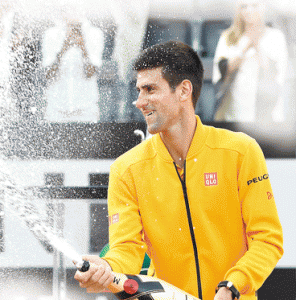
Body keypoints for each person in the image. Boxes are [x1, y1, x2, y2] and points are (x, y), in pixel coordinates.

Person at [74, 41, 283, 300]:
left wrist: (232, 286)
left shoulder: (241, 151)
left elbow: (267, 239)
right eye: (139, 90)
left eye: (150, 89)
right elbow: (126, 249)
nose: (139, 101)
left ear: (184, 90)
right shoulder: (125, 170)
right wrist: (108, 268)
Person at [212, 0, 288, 122]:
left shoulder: (276, 37)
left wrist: (256, 44)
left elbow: (276, 73)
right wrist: (245, 48)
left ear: (263, 7)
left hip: (266, 114)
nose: (249, 10)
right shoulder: (228, 37)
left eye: (254, 5)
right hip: (233, 111)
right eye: (244, 6)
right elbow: (222, 71)